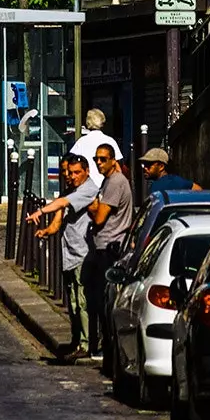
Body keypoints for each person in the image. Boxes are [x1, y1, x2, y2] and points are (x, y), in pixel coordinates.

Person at [26, 153, 99, 360]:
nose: (71, 176)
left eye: (76, 172)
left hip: (83, 254)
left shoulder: (88, 190)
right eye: (68, 172)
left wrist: (40, 212)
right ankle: (77, 340)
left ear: (86, 172)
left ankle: (86, 344)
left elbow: (60, 204)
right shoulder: (73, 190)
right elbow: (59, 218)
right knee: (74, 303)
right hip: (70, 253)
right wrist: (47, 231)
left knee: (83, 302)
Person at [83, 141, 134, 370]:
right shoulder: (108, 181)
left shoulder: (115, 182)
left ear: (113, 160)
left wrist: (91, 205)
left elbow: (100, 217)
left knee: (106, 300)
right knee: (99, 298)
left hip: (111, 247)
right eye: (96, 159)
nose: (99, 163)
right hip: (105, 245)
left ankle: (107, 347)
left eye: (103, 159)